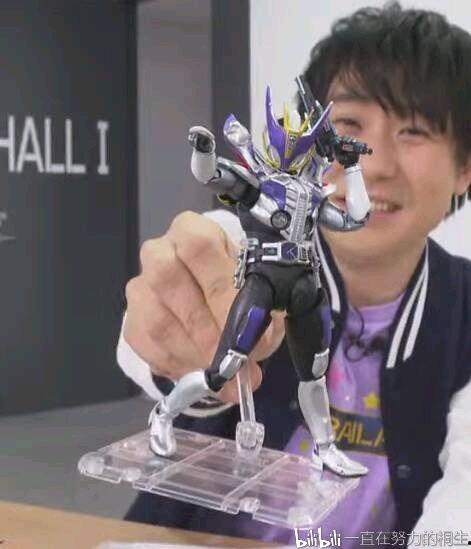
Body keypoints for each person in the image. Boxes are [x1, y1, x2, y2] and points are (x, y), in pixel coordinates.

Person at [117, 2, 471, 545]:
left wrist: (351, 166)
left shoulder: (461, 309)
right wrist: (177, 306)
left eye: (415, 130)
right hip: (193, 536)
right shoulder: (243, 233)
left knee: (312, 380)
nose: (379, 163)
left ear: (465, 168)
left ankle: (326, 445)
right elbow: (211, 243)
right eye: (348, 124)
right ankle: (168, 413)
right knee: (221, 367)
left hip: (301, 296)